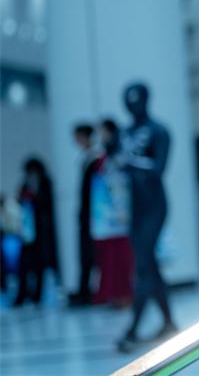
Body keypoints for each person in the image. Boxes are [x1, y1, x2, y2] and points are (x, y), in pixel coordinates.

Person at [116, 84, 176, 352]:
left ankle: (133, 330)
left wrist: (129, 162)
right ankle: (169, 322)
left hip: (154, 205)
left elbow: (158, 168)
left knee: (143, 264)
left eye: (136, 99)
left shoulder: (158, 130)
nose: (132, 105)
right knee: (149, 264)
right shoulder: (125, 132)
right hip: (135, 207)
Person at [91, 119, 134, 307]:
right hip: (107, 216)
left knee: (123, 257)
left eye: (103, 132)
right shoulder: (103, 158)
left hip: (122, 215)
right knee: (111, 258)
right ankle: (115, 295)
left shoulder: (122, 156)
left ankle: (125, 295)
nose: (101, 136)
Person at [14, 158, 58, 306]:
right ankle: (21, 296)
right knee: (24, 265)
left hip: (42, 233)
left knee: (40, 265)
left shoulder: (45, 183)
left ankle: (37, 295)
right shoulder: (25, 185)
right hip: (27, 232)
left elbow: (47, 203)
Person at [69, 123, 101, 306]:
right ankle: (84, 290)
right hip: (87, 213)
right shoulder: (87, 157)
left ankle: (88, 291)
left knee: (91, 252)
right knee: (85, 253)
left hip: (93, 214)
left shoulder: (95, 158)